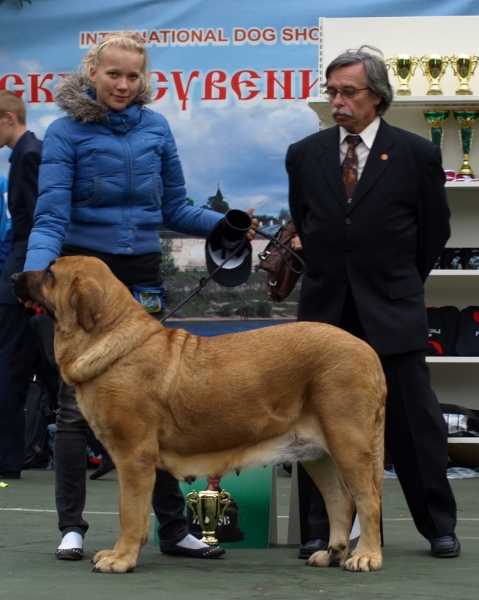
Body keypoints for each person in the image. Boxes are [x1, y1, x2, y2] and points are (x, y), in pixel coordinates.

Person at [23, 31, 257, 561]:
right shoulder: (64, 132)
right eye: (114, 74)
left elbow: (174, 208)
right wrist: (37, 278)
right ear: (92, 73)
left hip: (143, 275)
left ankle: (173, 531)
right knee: (76, 406)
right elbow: (51, 216)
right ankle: (73, 528)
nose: (123, 84)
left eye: (133, 76)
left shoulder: (157, 128)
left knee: (152, 406)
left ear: (143, 78)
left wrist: (226, 222)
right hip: (85, 278)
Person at [286, 46, 459, 560]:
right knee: (314, 428)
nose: (337, 101)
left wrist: (395, 283)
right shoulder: (304, 154)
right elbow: (309, 220)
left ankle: (437, 526)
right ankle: (320, 531)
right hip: (324, 313)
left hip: (391, 307)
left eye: (349, 92)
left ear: (377, 97)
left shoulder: (417, 154)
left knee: (413, 423)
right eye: (332, 91)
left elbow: (433, 233)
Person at [0, 91, 42, 480]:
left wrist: (26, 284)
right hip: (22, 275)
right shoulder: (24, 154)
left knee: (11, 371)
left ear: (8, 118)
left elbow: (36, 227)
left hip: (22, 280)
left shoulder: (30, 155)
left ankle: (7, 460)